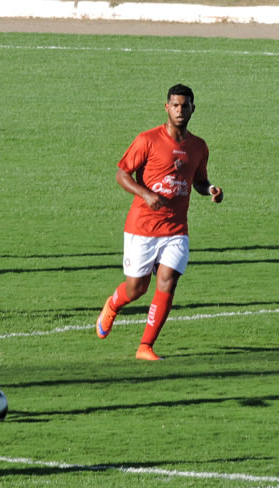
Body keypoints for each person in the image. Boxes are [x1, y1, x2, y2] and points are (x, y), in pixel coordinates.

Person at [96, 84, 224, 360]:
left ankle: (145, 346)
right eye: (175, 105)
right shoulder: (148, 140)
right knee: (137, 288)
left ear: (193, 108)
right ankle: (113, 304)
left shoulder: (199, 147)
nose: (180, 110)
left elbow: (199, 181)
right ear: (166, 107)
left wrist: (211, 189)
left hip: (176, 229)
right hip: (142, 227)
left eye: (185, 105)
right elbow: (122, 174)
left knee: (168, 280)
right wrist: (145, 194)